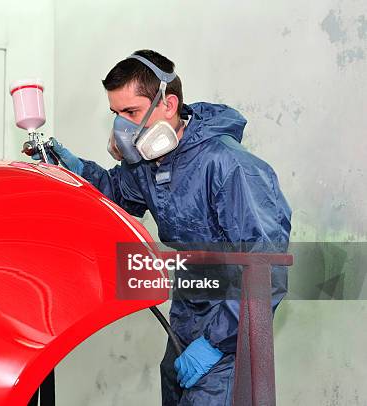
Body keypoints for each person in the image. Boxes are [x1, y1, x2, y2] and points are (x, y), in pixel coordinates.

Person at [31, 49, 292, 405]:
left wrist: (216, 344)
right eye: (115, 114)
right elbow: (116, 195)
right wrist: (76, 171)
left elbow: (268, 268)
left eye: (131, 112)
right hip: (187, 320)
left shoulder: (229, 166)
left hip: (230, 335)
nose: (121, 128)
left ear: (168, 105)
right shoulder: (149, 165)